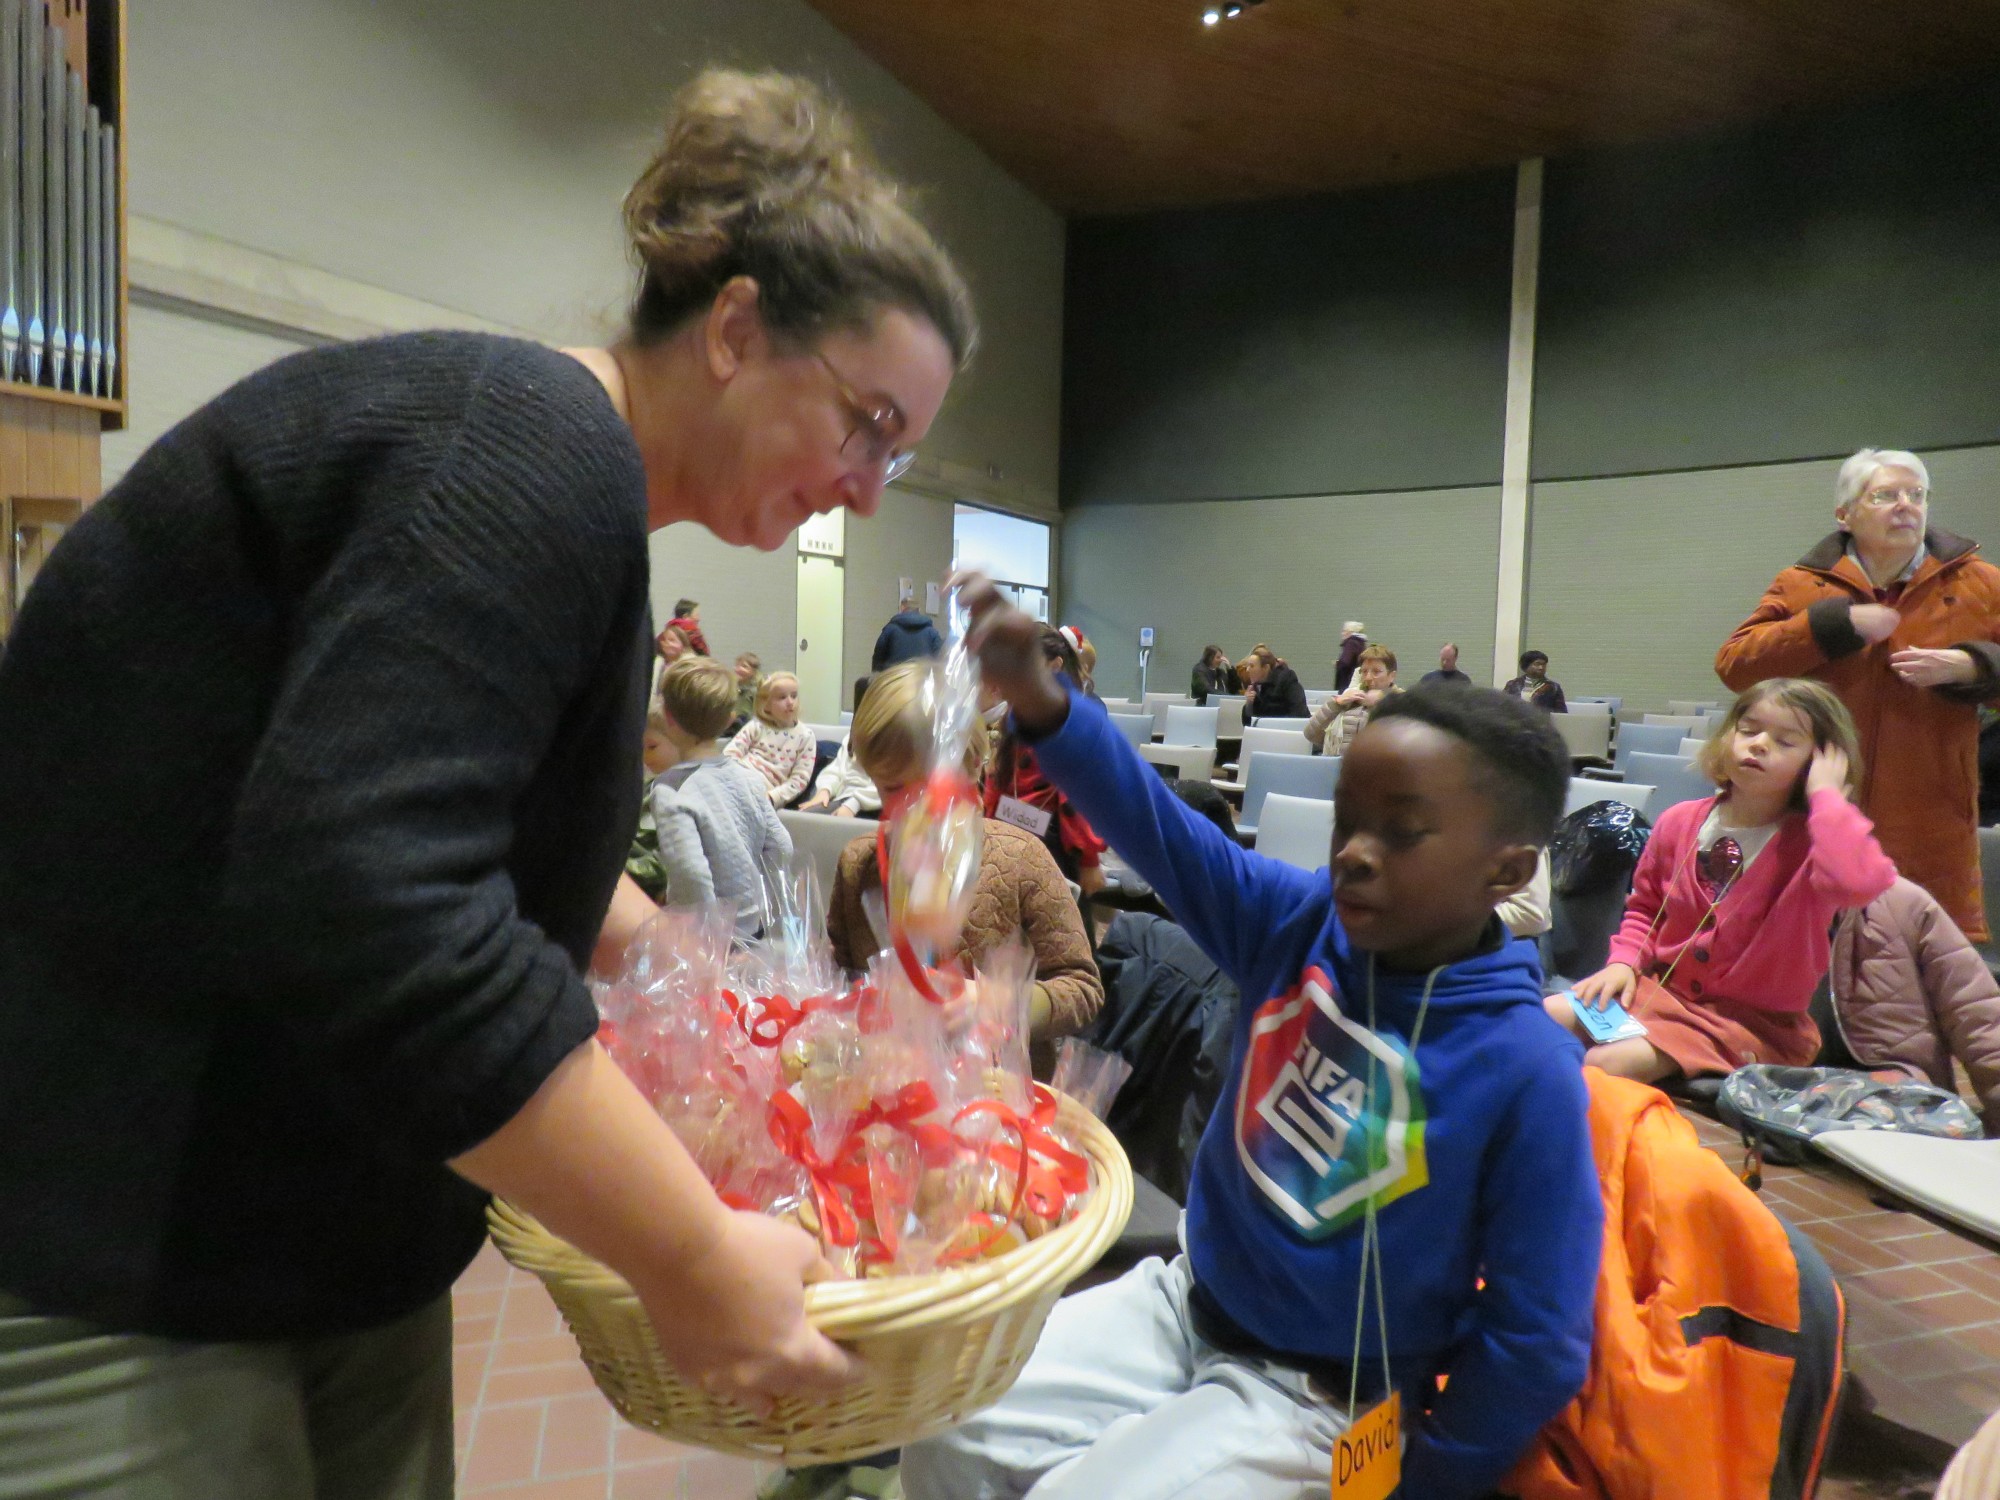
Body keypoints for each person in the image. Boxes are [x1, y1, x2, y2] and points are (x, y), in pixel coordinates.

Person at [0, 65, 974, 1496]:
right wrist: (690, 1257)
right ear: (740, 328)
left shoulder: (571, 500)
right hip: (127, 1254)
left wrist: (707, 991)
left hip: (319, 1240)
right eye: (869, 423)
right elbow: (365, 897)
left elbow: (478, 862)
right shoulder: (521, 451)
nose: (874, 488)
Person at [905, 580, 1600, 1500]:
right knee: (947, 1418)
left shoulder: (1527, 1071)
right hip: (1184, 1303)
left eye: (1402, 834)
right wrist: (1043, 700)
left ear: (1505, 871)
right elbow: (1163, 833)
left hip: (1318, 1401)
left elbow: (1538, 1339)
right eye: (1350, 819)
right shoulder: (1301, 921)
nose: (1353, 851)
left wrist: (1426, 1477)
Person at [1717, 447, 2000, 942]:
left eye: (1917, 495)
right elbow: (1736, 666)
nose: (1906, 506)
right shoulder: (1803, 584)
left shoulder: (1982, 584)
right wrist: (1829, 626)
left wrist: (1974, 666)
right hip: (1811, 812)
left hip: (1930, 824)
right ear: (1845, 514)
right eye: (1885, 495)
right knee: (1799, 972)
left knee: (1916, 987)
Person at [1549, 679, 1896, 1082]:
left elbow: (1859, 883)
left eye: (1786, 741)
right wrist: (1624, 962)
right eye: (1748, 731)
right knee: (1542, 1019)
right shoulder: (1679, 821)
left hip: (1747, 1025)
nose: (1760, 744)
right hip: (1657, 993)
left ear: (1819, 761)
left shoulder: (1815, 842)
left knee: (1605, 1065)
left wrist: (1828, 799)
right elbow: (1645, 907)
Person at [826, 661, 1102, 1039]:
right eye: (893, 789)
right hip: (893, 1074)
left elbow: (1083, 989)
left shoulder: (1020, 858)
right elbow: (839, 974)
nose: (914, 807)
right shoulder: (858, 864)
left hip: (997, 1083)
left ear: (973, 765)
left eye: (930, 788)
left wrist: (1001, 1002)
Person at [1824, 876, 2000, 1134]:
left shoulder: (1901, 903)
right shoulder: (1757, 905)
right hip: (1785, 1109)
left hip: (1903, 1112)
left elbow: (1976, 1013)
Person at [650, 656, 793, 936]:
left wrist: (708, 936)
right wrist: (756, 902)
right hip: (753, 926)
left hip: (705, 935)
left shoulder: (669, 789)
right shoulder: (750, 776)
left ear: (668, 717)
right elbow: (782, 846)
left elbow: (689, 871)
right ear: (729, 719)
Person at [989, 626, 1110, 895]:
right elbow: (999, 779)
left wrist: (1088, 860)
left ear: (1056, 666)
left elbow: (1076, 797)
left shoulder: (1071, 719)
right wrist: (987, 827)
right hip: (1010, 839)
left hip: (1052, 845)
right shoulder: (1016, 716)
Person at [724, 669, 818, 806]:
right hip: (737, 778)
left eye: (794, 696)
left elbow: (799, 779)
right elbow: (730, 753)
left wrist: (773, 797)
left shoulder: (805, 736)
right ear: (766, 705)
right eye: (782, 697)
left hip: (764, 791)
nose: (790, 702)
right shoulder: (756, 726)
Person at [1304, 643, 1401, 757]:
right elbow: (1311, 734)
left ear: (1392, 676)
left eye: (1376, 672)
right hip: (1340, 766)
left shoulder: (1401, 701)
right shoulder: (1350, 698)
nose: (1368, 677)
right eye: (1364, 672)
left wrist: (1381, 704)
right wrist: (1336, 703)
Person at [797, 727, 881, 817]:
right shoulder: (851, 737)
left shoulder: (892, 738)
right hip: (842, 796)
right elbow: (837, 769)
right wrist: (825, 790)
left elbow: (889, 784)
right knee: (800, 815)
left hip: (868, 804)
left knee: (800, 821)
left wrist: (853, 804)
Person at [871, 586, 944, 670]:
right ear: (918, 609)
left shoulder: (889, 630)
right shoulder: (932, 632)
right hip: (922, 679)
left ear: (902, 608)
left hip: (895, 678)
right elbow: (939, 659)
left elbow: (878, 659)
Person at [1240, 644, 1308, 720]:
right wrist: (1249, 704)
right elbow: (1248, 723)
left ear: (1265, 668)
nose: (1247, 670)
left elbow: (1299, 713)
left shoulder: (1286, 679)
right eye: (1247, 666)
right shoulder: (1255, 687)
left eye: (1252, 666)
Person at [1504, 649, 1568, 714]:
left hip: (1541, 722)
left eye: (1544, 665)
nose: (1541, 667)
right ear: (1526, 666)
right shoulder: (1512, 685)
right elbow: (1503, 707)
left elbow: (1561, 712)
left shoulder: (1553, 687)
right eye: (1537, 664)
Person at [1333, 619, 1368, 692]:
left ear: (1350, 632)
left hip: (1347, 681)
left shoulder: (1351, 643)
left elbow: (1345, 662)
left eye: (1344, 631)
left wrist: (1338, 663)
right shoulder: (1361, 643)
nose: (1342, 633)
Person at [732, 650, 763, 720]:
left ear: (754, 671)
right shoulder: (733, 686)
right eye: (737, 665)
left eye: (744, 666)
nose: (738, 669)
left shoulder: (755, 690)